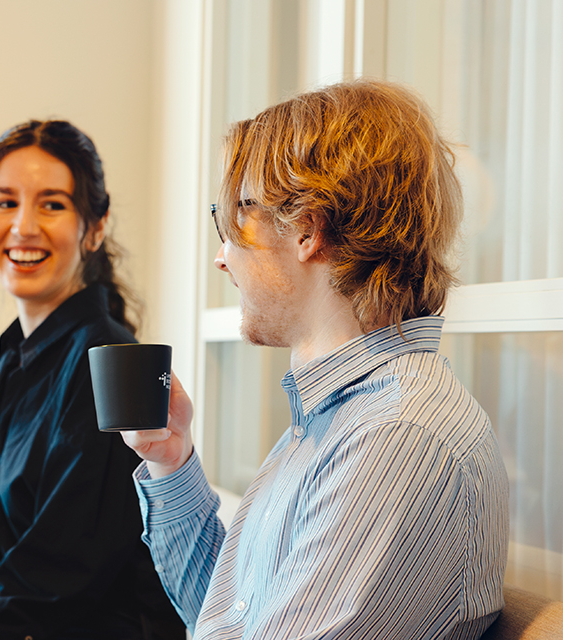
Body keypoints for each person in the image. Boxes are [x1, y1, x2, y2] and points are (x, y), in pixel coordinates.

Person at [122, 79, 510, 639]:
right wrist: (172, 460)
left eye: (233, 218)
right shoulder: (336, 420)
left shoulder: (396, 437)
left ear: (308, 229)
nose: (221, 256)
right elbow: (229, 616)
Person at [0, 120, 184, 640]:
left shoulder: (110, 367)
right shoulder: (9, 363)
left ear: (94, 227)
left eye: (52, 204)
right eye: (4, 203)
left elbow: (53, 586)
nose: (23, 226)